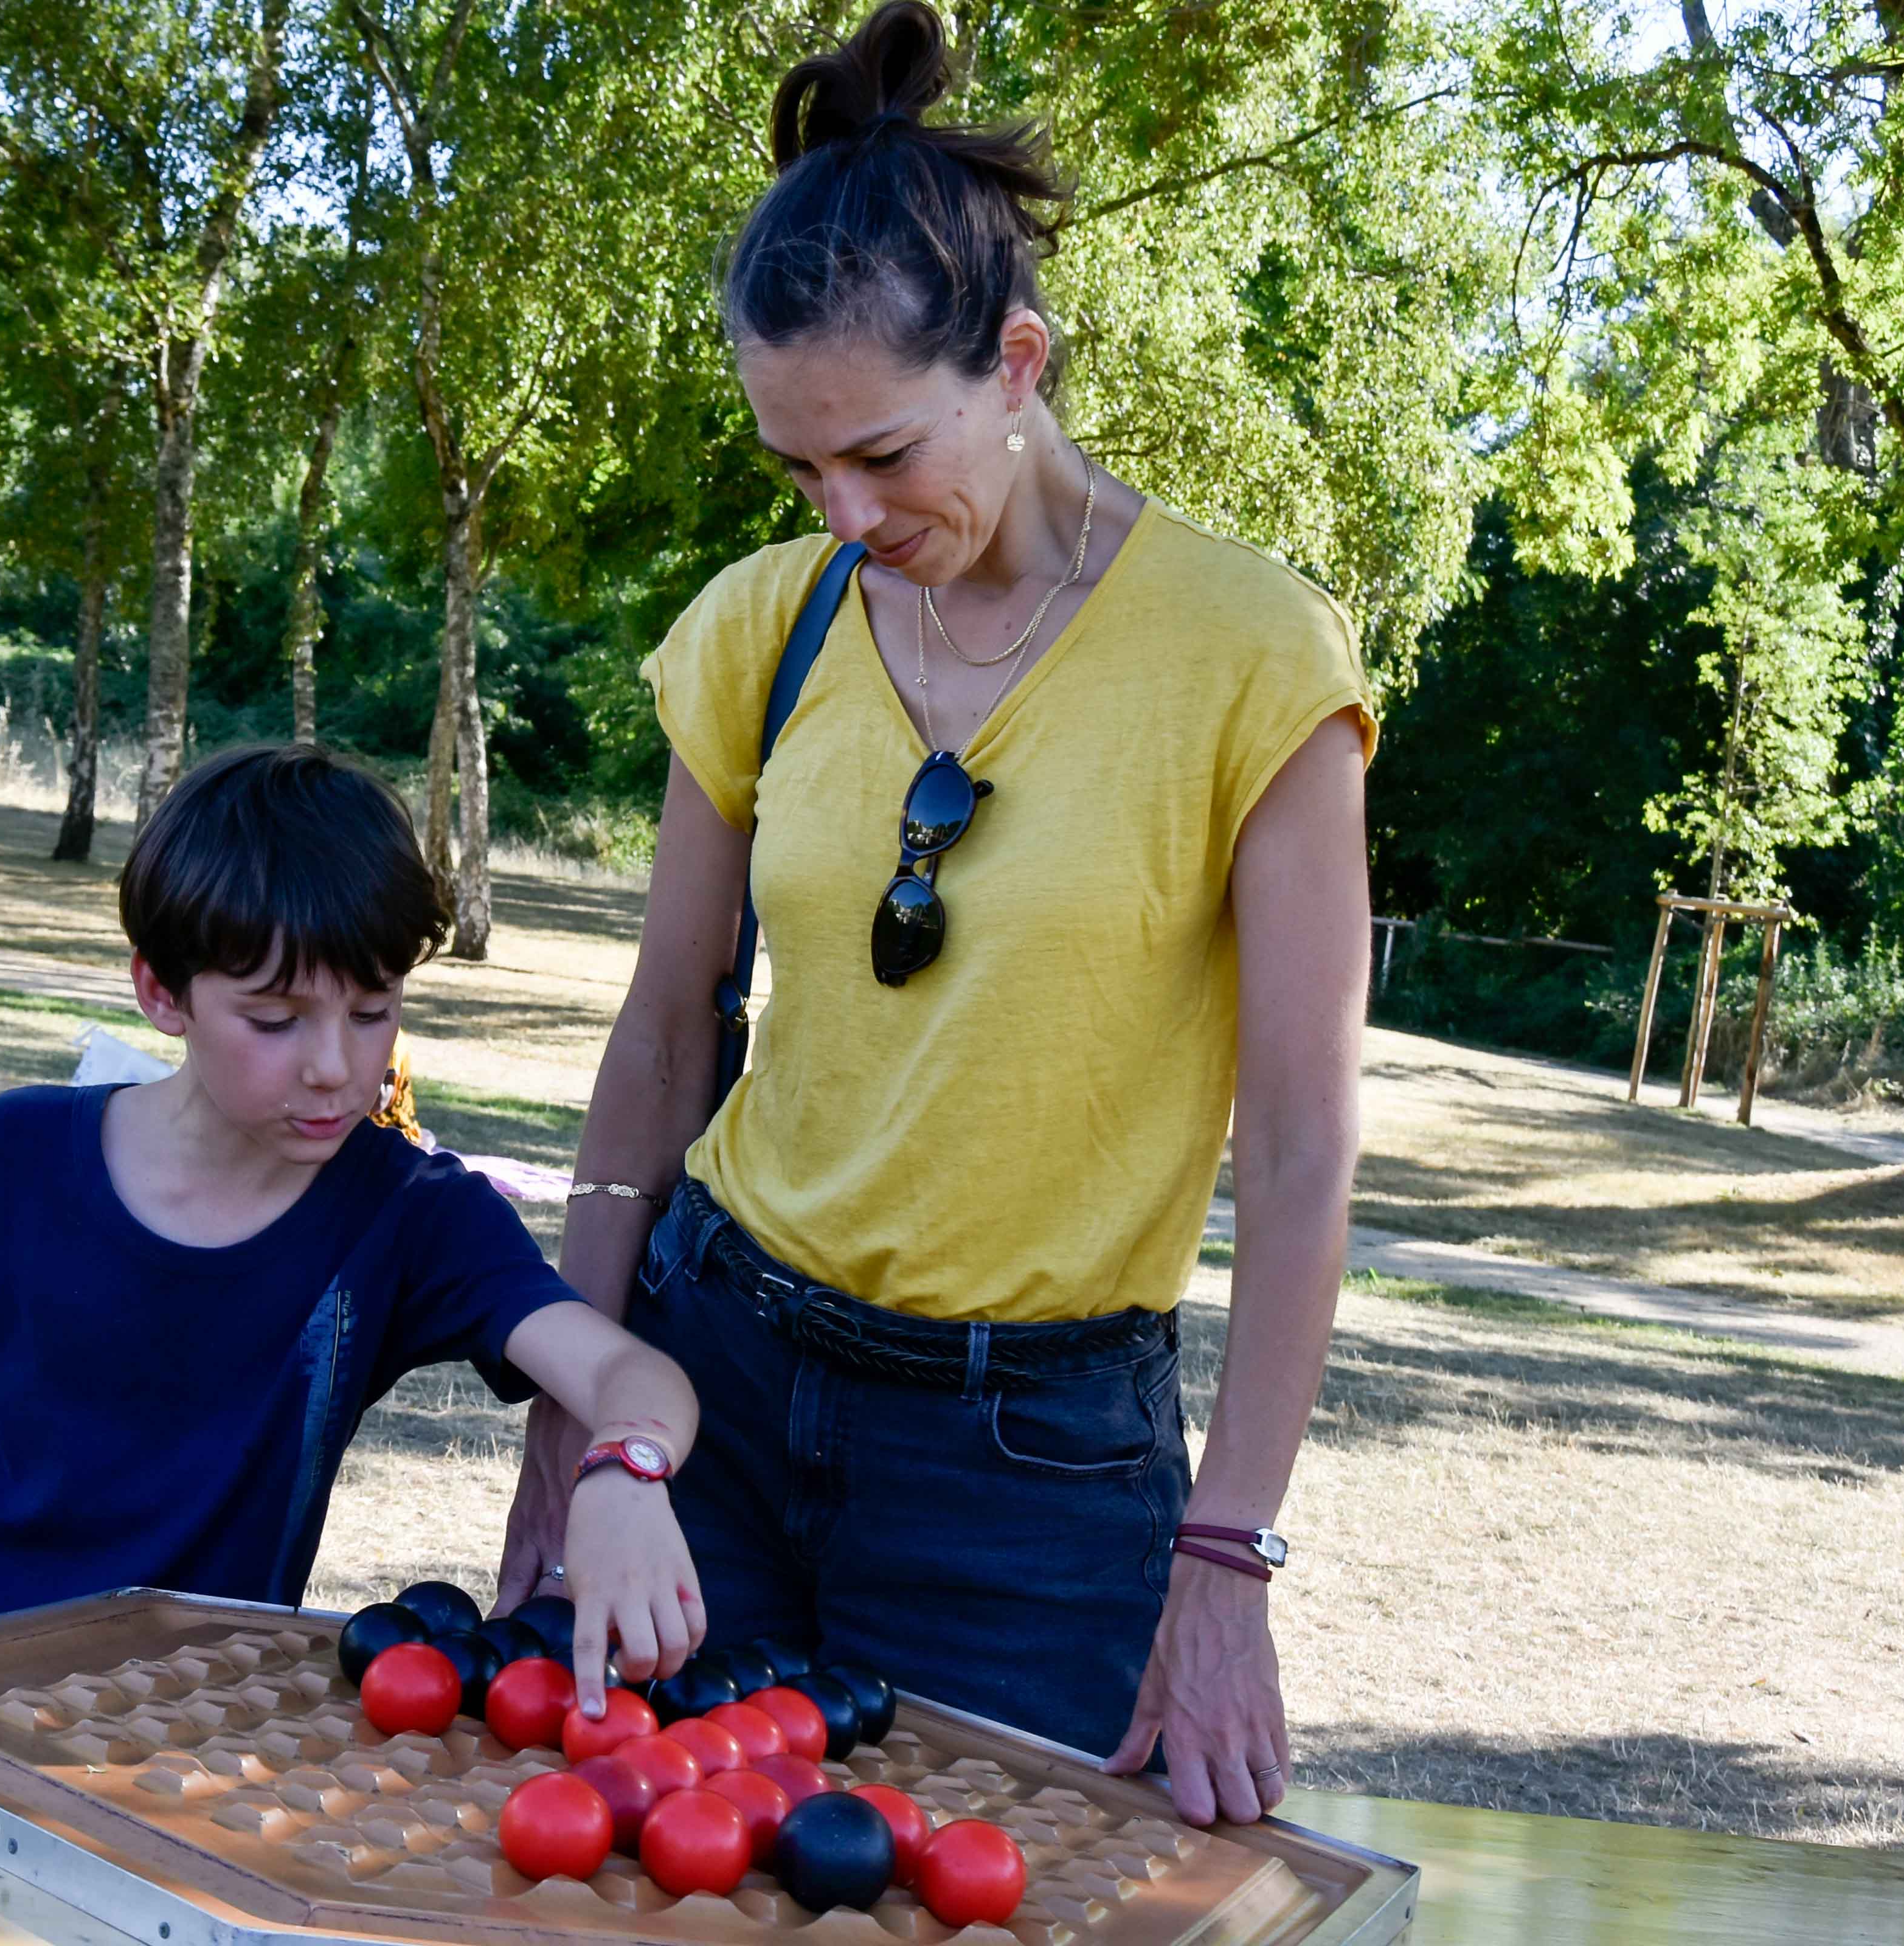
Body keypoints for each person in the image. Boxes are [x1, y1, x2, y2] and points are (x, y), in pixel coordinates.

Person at [491, 2, 1373, 1833]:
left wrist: (1229, 1560)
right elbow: (664, 1032)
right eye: (798, 469)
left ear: (1020, 363)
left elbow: (1298, 1149)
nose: (846, 509)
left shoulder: (1250, 654)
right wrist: (570, 1415)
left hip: (1032, 1479)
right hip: (712, 1384)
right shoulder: (760, 625)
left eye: (884, 454)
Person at [0, 745, 708, 1946]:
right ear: (160, 991)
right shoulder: (16, 1154)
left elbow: (621, 1373)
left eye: (374, 1008)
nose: (339, 1065)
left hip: (148, 1780)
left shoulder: (408, 1216)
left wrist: (629, 1466)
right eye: (277, 1017)